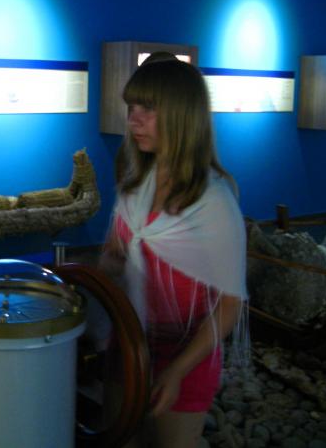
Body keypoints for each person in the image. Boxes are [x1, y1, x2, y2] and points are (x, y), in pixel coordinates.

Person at [103, 54, 248, 448]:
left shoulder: (213, 202)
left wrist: (178, 371)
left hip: (184, 358)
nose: (133, 120)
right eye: (132, 108)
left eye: (147, 109)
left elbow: (229, 305)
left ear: (182, 115)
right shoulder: (136, 187)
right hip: (128, 348)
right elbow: (114, 256)